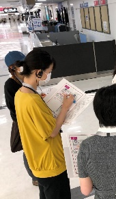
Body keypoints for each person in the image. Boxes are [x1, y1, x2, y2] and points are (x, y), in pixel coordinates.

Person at [15, 49, 74, 199]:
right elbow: (52, 132)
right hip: (50, 162)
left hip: (37, 159)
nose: (48, 76)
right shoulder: (32, 101)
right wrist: (65, 107)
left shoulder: (20, 94)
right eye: (48, 72)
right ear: (38, 72)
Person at [4, 51, 39, 186]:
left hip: (34, 118)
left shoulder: (26, 78)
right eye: (21, 64)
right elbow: (13, 110)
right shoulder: (10, 85)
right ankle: (34, 177)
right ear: (12, 68)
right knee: (28, 148)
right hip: (24, 123)